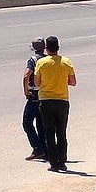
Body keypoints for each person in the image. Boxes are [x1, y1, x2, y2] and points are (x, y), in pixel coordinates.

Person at [34, 35, 77, 173]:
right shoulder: (66, 62)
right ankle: (62, 161)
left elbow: (37, 83)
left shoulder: (41, 63)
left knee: (49, 132)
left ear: (46, 48)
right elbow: (73, 82)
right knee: (61, 132)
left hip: (46, 100)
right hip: (62, 101)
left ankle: (54, 163)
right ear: (58, 47)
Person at [22, 37, 47, 161]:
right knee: (41, 124)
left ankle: (37, 148)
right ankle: (45, 149)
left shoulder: (33, 60)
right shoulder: (48, 59)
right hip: (45, 94)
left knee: (27, 123)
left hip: (34, 95)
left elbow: (26, 76)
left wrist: (26, 91)